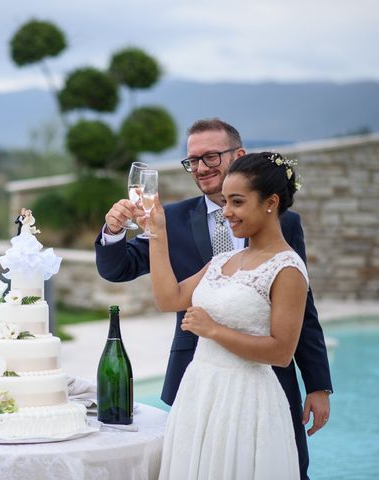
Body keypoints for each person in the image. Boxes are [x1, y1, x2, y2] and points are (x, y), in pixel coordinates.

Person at [94, 119, 332, 479]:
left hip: (263, 383)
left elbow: (303, 312)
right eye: (193, 160)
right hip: (197, 382)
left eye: (210, 157)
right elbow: (125, 272)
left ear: (238, 155)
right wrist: (115, 231)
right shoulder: (173, 220)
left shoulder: (287, 229)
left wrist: (317, 383)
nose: (201, 168)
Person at [151, 151, 309, 477]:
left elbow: (281, 352)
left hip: (246, 403)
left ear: (271, 202)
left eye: (236, 202)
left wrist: (213, 330)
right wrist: (157, 231)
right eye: (225, 202)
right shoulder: (223, 260)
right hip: (199, 393)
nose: (226, 212)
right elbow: (170, 299)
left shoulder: (287, 268)